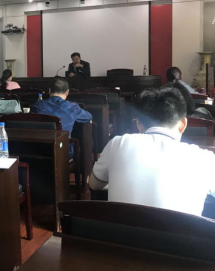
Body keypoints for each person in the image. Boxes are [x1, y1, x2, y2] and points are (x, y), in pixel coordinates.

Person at [90, 87, 215, 217]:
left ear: (138, 124)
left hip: (118, 230)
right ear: (183, 124)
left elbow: (94, 184)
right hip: (182, 230)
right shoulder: (205, 159)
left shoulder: (118, 143)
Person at [32, 78, 92, 158]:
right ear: (67, 92)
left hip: (39, 149)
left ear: (49, 90)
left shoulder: (38, 106)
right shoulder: (72, 107)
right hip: (64, 150)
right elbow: (88, 117)